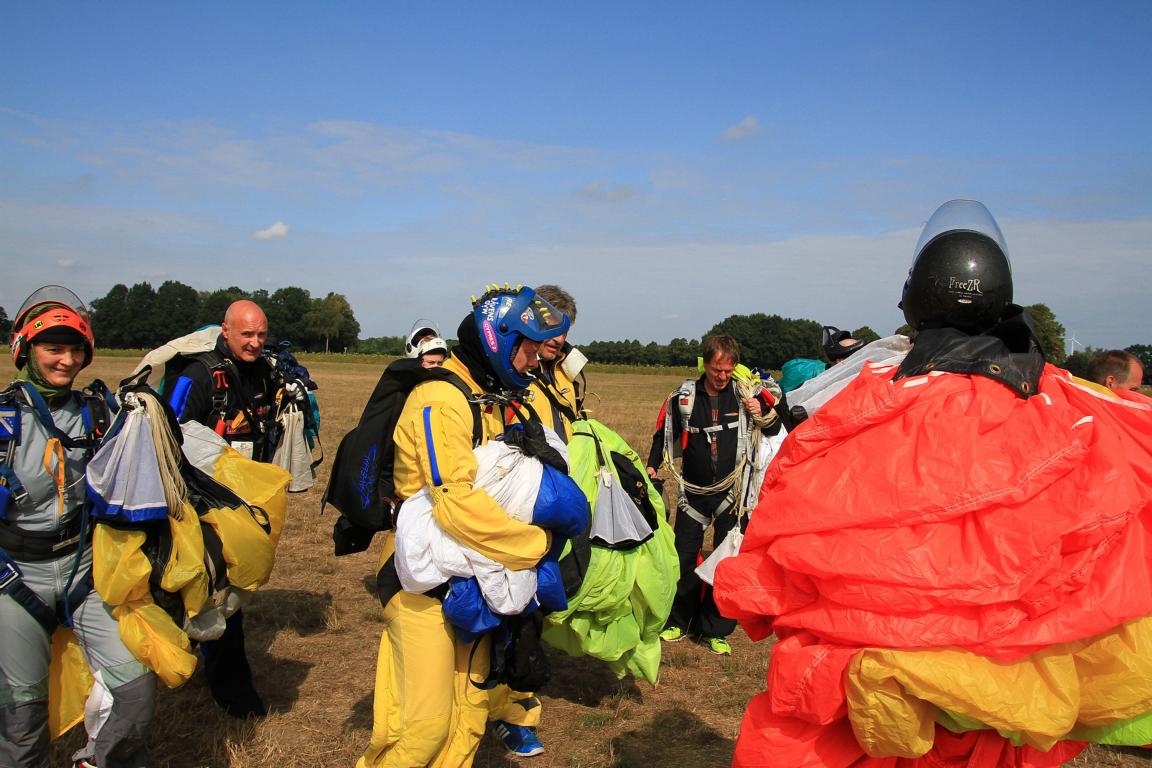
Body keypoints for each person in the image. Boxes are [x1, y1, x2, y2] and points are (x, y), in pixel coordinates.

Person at [712, 200, 1152, 767]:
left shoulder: (869, 402)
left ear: (916, 296)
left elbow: (784, 517)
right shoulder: (1076, 407)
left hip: (874, 707)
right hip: (998, 711)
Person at [357, 284, 571, 767]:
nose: (534, 361)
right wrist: (533, 547)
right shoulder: (441, 398)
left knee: (469, 719)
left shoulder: (491, 396)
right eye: (529, 349)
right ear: (500, 339)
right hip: (422, 583)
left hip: (474, 578)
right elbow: (454, 502)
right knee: (424, 730)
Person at [1, 285, 155, 768]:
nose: (66, 361)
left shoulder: (100, 413)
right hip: (14, 580)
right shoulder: (4, 421)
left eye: (75, 350)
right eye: (53, 348)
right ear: (26, 351)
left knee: (136, 690)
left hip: (85, 573)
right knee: (22, 720)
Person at [164, 299, 277, 718]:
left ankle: (211, 667)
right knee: (212, 587)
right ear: (225, 331)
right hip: (197, 500)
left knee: (228, 586)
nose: (255, 342)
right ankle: (232, 688)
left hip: (239, 498)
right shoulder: (198, 375)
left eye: (261, 334)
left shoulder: (263, 372)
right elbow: (168, 433)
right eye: (246, 334)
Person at [645, 335, 778, 656]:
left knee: (727, 563)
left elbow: (774, 430)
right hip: (693, 494)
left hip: (733, 494)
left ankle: (715, 629)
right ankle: (678, 621)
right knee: (683, 557)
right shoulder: (684, 398)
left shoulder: (744, 395)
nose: (722, 376)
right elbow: (665, 435)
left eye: (728, 371)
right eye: (717, 370)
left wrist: (761, 411)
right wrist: (651, 466)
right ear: (705, 364)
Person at [525, 284, 585, 441]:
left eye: (563, 331)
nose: (559, 339)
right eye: (552, 328)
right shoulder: (511, 372)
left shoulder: (566, 370)